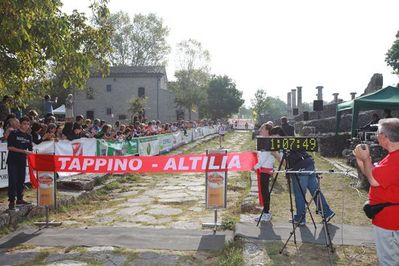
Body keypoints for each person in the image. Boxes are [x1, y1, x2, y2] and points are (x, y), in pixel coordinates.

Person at [353, 118, 399, 265]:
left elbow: (374, 180)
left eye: (378, 132)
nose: (376, 136)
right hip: (388, 218)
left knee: (389, 261)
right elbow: (373, 173)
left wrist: (366, 160)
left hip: (390, 222)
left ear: (385, 137)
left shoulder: (395, 160)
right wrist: (362, 160)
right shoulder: (392, 156)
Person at [270, 126, 335, 226]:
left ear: (279, 136)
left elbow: (287, 164)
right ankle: (327, 213)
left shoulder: (285, 145)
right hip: (309, 165)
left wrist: (276, 155)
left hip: (300, 170)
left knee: (299, 194)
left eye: (273, 138)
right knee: (315, 191)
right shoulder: (292, 141)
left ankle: (300, 218)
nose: (273, 141)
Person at [253, 123, 281, 222]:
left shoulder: (268, 141)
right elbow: (262, 154)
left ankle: (266, 213)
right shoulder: (265, 141)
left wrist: (255, 167)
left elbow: (264, 158)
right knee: (264, 191)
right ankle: (265, 211)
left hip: (265, 169)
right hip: (265, 168)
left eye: (262, 129)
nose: (260, 130)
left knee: (265, 192)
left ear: (267, 131)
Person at [7, 116, 33, 210]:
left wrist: (30, 154)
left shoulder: (29, 136)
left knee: (21, 180)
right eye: (24, 124)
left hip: (22, 161)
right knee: (13, 180)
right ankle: (11, 201)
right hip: (12, 161)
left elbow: (30, 150)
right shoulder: (13, 133)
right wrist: (23, 151)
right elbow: (10, 147)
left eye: (28, 124)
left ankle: (20, 199)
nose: (26, 126)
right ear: (20, 124)